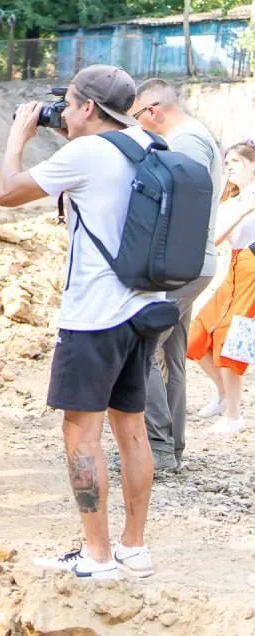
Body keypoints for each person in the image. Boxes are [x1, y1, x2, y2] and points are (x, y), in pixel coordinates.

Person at [0, 65, 165, 581]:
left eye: (68, 105)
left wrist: (17, 135)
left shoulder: (87, 152)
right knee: (131, 428)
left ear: (89, 108)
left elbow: (7, 191)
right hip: (144, 305)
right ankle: (133, 547)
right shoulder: (150, 144)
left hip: (94, 315)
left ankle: (96, 555)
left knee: (81, 433)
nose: (62, 114)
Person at [129, 79, 224, 469]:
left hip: (181, 265)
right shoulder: (195, 136)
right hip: (192, 264)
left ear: (153, 110)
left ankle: (158, 447)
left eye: (137, 117)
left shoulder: (186, 142)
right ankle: (173, 446)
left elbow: (180, 203)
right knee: (170, 353)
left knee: (143, 350)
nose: (137, 124)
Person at [186, 140, 255, 435]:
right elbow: (213, 239)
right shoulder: (232, 202)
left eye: (235, 161)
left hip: (251, 268)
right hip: (236, 268)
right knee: (196, 335)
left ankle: (233, 414)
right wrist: (242, 212)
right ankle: (223, 394)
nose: (228, 166)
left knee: (232, 336)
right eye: (226, 162)